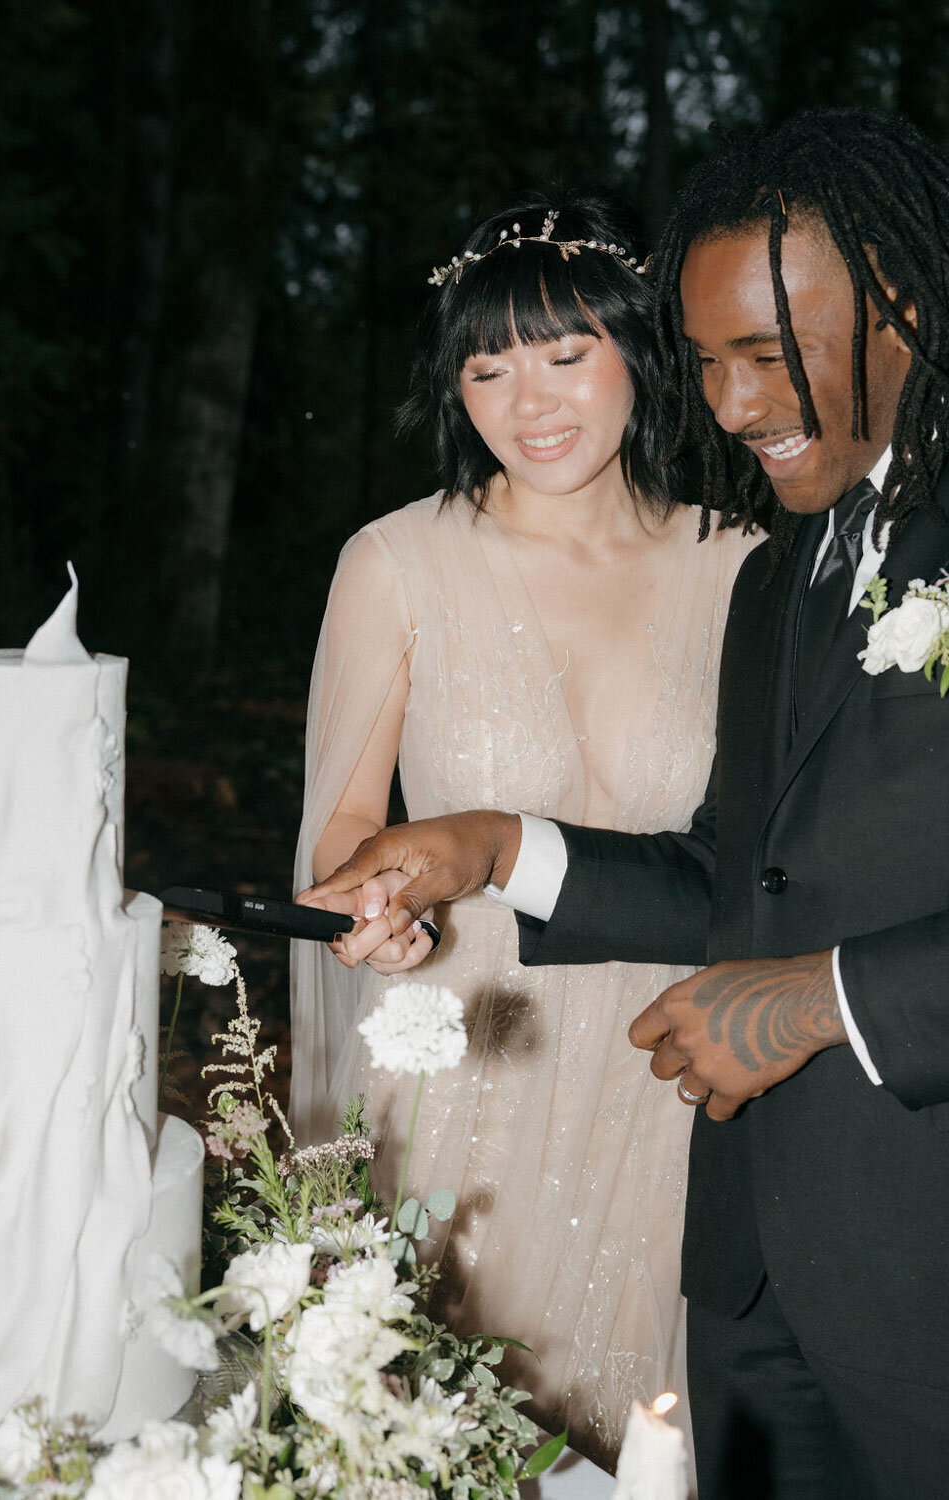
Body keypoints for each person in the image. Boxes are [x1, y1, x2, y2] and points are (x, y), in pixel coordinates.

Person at [299, 108, 949, 1500]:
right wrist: (482, 847)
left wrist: (827, 1000)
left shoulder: (735, 556)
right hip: (735, 1236)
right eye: (711, 364)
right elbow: (732, 868)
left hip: (889, 1230)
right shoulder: (788, 573)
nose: (729, 405)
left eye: (766, 358)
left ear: (898, 303)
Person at [289, 189, 757, 1468]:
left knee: (641, 1454)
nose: (530, 401)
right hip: (466, 1067)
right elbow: (341, 831)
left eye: (565, 354)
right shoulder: (395, 562)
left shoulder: (743, 570)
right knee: (442, 1445)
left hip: (665, 1081)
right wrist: (376, 919)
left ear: (639, 351)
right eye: (487, 367)